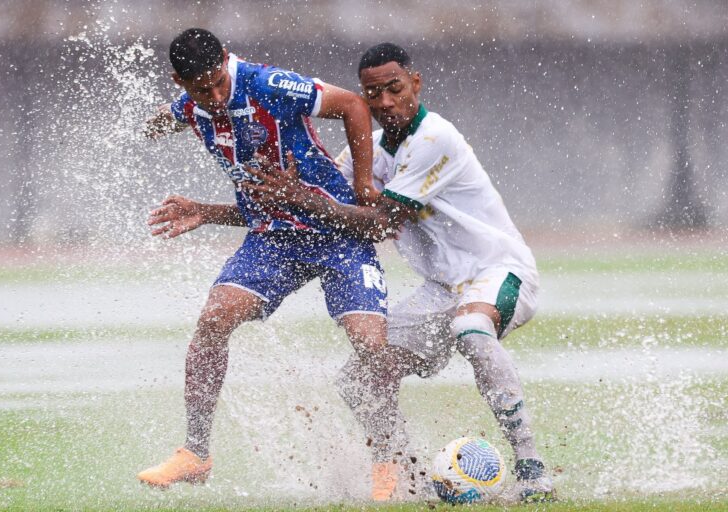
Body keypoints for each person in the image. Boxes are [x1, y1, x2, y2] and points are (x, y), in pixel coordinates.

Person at [243, 42, 555, 503]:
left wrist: (299, 198)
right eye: (373, 94)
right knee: (360, 377)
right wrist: (214, 209)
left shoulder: (434, 138)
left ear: (416, 83)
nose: (385, 102)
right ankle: (406, 474)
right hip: (441, 288)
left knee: (471, 328)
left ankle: (532, 469)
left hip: (498, 270)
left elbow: (382, 222)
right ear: (364, 97)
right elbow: (318, 207)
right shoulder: (369, 150)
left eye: (394, 88)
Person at [136, 28, 399, 500]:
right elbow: (161, 121)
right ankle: (196, 453)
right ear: (180, 81)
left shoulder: (268, 84)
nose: (214, 96)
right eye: (200, 89)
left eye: (218, 81)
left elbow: (353, 106)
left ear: (226, 60)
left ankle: (385, 462)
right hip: (274, 238)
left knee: (369, 342)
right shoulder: (189, 107)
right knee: (214, 320)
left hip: (336, 231)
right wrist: (203, 205)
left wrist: (362, 187)